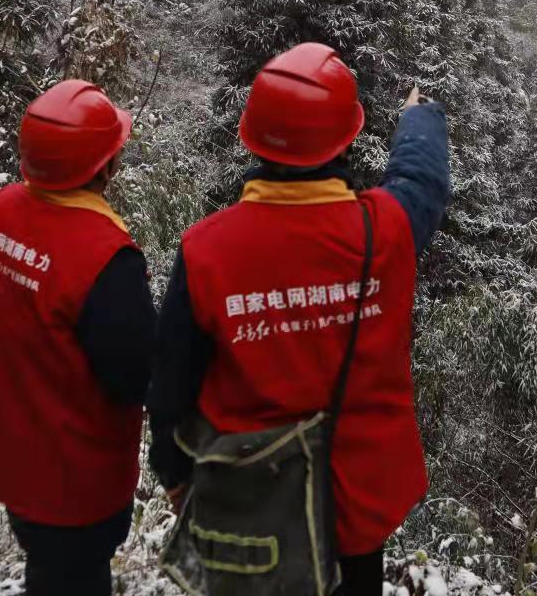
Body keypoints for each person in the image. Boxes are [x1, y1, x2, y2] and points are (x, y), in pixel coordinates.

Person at [148, 42, 451, 595]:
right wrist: (419, 119)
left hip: (249, 509)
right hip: (355, 509)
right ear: (345, 140)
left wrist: (176, 479)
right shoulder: (382, 232)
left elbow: (170, 387)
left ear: (252, 138)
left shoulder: (205, 250)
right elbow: (421, 184)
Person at [0, 79, 155, 595]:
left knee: (49, 573)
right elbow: (137, 376)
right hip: (78, 482)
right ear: (103, 167)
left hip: (15, 461)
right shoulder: (103, 257)